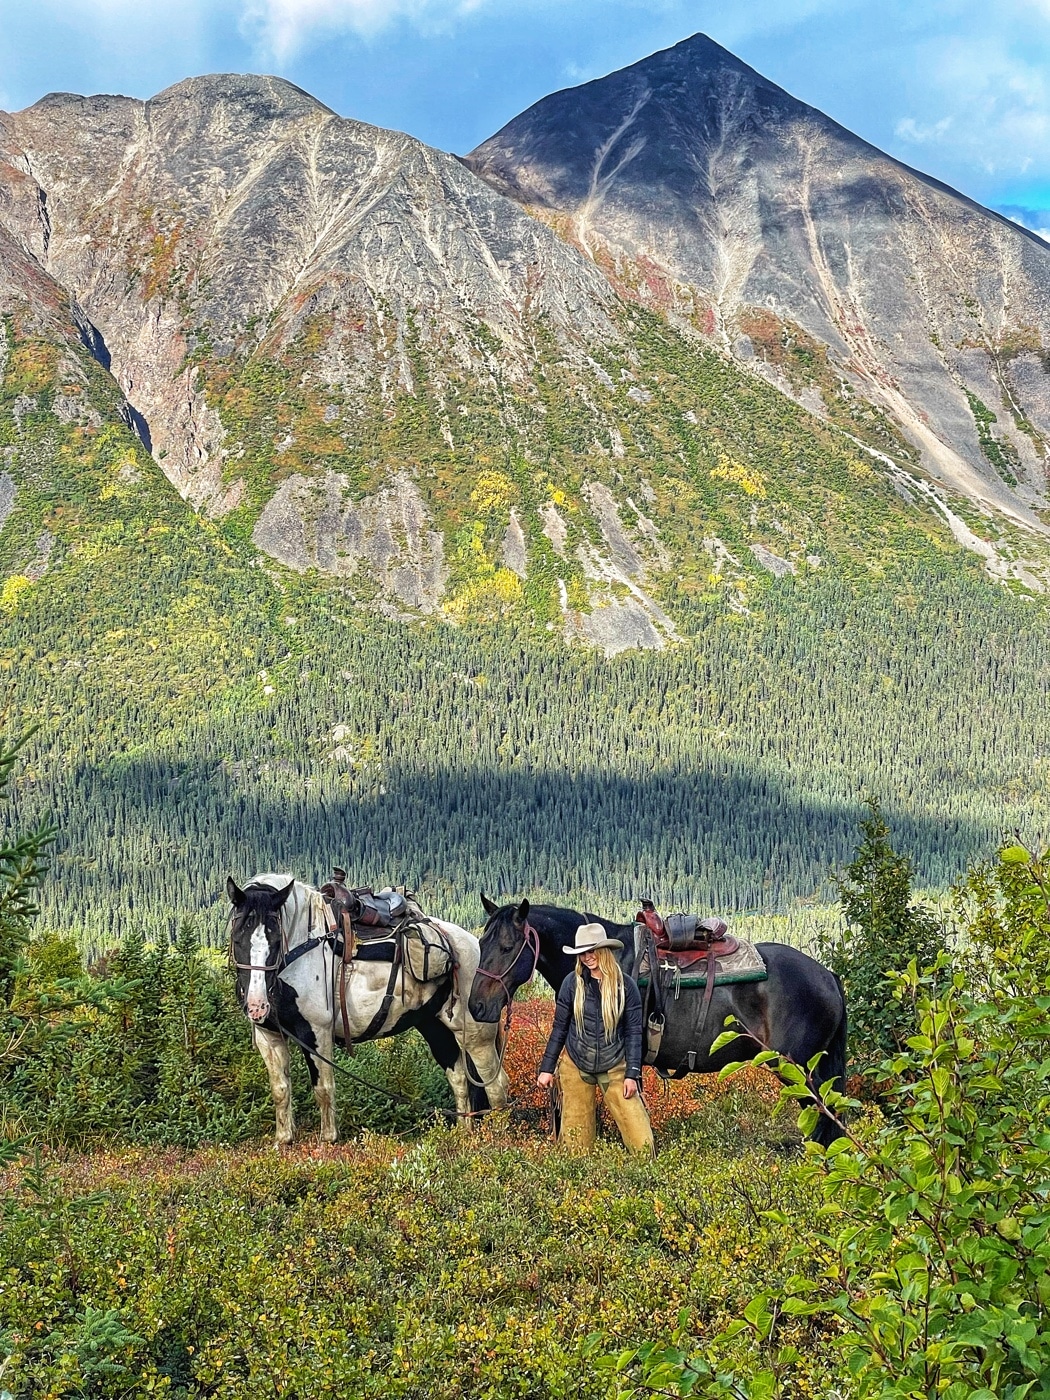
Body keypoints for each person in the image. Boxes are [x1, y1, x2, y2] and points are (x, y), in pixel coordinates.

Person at [536, 922, 654, 1155]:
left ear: (604, 951)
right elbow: (559, 1028)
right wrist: (547, 1068)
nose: (587, 958)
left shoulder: (626, 986)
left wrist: (632, 1074)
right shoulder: (571, 984)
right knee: (575, 1148)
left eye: (592, 951)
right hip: (576, 1065)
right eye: (582, 953)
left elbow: (633, 1032)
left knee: (643, 1145)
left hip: (615, 1066)